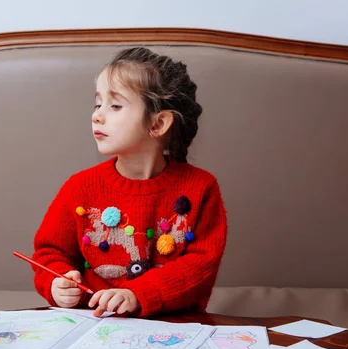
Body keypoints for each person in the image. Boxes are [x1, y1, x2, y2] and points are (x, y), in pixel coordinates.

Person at [31, 47, 227, 318]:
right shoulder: (79, 187)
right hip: (93, 328)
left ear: (158, 124)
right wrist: (57, 282)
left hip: (175, 331)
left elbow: (200, 265)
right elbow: (50, 251)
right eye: (98, 103)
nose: (96, 115)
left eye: (115, 105)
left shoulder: (201, 188)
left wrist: (138, 294)